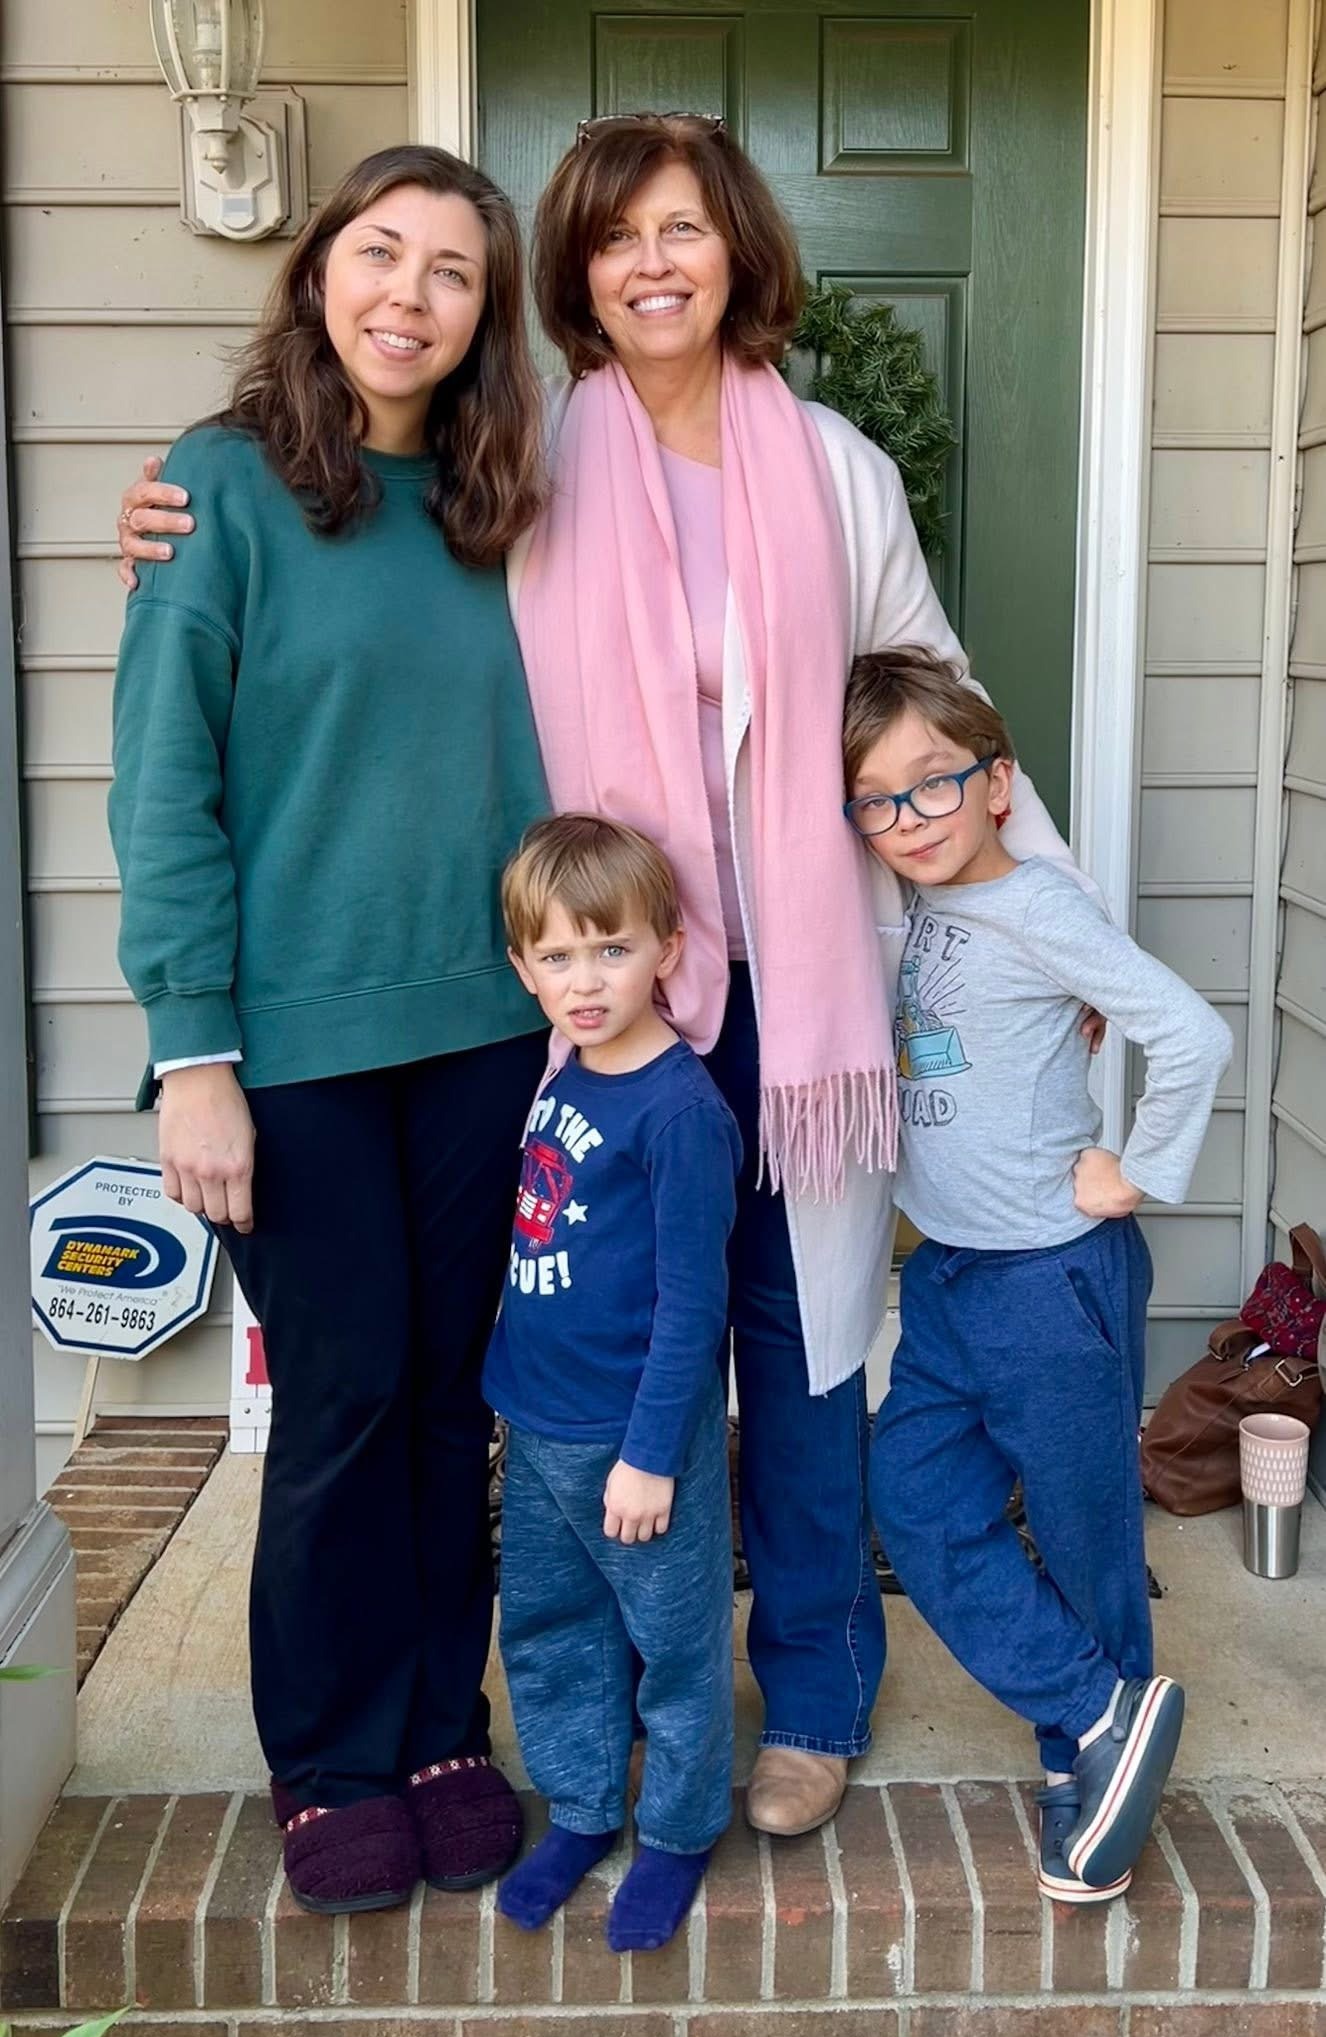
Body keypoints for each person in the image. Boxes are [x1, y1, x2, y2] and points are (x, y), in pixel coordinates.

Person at [115, 115, 1095, 1838]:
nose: (653, 263)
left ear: (736, 254)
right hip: (603, 998)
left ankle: (804, 1700)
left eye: (684, 229)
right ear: (574, 274)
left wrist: (1051, 917)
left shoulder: (825, 471)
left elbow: (933, 700)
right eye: (617, 235)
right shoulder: (531, 460)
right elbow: (304, 569)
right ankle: (593, 1708)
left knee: (795, 1350)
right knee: (594, 1365)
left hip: (796, 994)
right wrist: (161, 515)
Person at [108, 144, 554, 1913]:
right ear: (318, 273)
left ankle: (442, 1726)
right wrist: (193, 1052)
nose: (408, 295)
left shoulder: (507, 504)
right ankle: (331, 1756)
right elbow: (164, 788)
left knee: (451, 1398)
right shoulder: (216, 491)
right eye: (380, 253)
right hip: (287, 1046)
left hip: (487, 1032)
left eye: (451, 271)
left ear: (483, 315)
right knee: (347, 1396)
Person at [842, 646, 1233, 1903]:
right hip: (953, 1280)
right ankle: (1097, 1707)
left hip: (1053, 1280)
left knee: (1082, 1532)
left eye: (935, 782)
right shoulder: (915, 903)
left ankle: (1088, 1762)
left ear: (999, 783)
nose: (910, 817)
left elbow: (1190, 1031)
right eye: (877, 799)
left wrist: (1136, 1169)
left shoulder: (1041, 906)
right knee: (912, 1495)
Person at [485, 813, 740, 1953]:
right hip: (539, 1419)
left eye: (612, 949)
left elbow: (693, 1304)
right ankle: (584, 1807)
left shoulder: (681, 1114)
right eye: (558, 955)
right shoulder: (564, 1073)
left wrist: (650, 1455)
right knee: (551, 1626)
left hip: (636, 1439)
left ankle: (678, 1829)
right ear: (524, 967)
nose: (584, 981)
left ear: (667, 951)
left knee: (675, 1643)